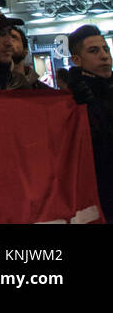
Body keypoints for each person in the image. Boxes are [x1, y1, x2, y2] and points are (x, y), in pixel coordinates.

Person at [65, 25, 112, 219]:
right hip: (99, 197)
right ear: (77, 60)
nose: (104, 56)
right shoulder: (70, 100)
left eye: (106, 49)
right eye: (94, 51)